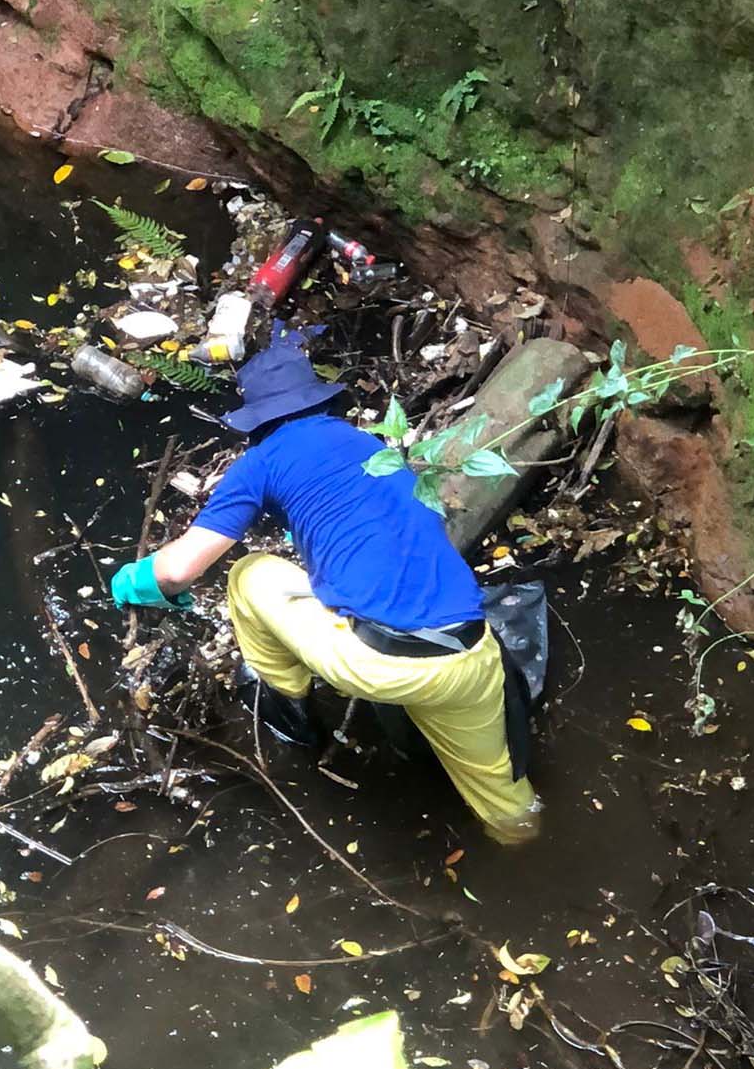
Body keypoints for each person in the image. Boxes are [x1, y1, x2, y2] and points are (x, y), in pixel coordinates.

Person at [111, 333, 540, 843]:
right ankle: (527, 852)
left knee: (247, 574)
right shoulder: (370, 445)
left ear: (258, 423)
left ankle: (289, 712)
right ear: (319, 401)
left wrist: (134, 581)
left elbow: (180, 570)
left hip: (383, 666)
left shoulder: (261, 462)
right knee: (507, 802)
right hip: (472, 651)